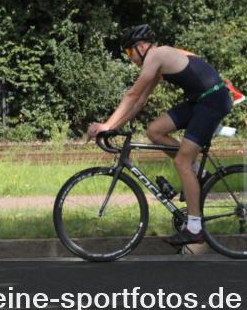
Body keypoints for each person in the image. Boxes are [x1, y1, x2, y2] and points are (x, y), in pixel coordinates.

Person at [86, 24, 234, 246]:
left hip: (212, 101)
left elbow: (132, 93)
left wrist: (106, 125)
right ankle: (198, 173)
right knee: (154, 130)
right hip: (199, 100)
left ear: (142, 46)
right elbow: (139, 101)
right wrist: (115, 127)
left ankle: (195, 228)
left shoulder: (156, 55)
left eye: (129, 52)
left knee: (182, 161)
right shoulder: (157, 63)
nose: (130, 58)